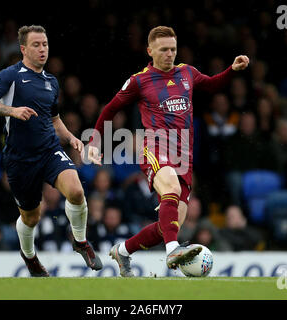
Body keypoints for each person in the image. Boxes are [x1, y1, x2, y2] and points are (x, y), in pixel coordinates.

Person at [87, 26, 249, 276]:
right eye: (164, 50)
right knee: (170, 190)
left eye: (173, 48)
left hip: (183, 155)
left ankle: (124, 251)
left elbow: (213, 85)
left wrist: (232, 71)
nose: (169, 54)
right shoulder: (139, 80)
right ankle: (173, 250)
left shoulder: (187, 72)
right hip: (155, 146)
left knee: (169, 224)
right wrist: (94, 142)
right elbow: (110, 109)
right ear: (150, 51)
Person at [0, 25, 102, 277]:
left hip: (49, 150)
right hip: (20, 159)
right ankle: (30, 256)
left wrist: (70, 138)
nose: (42, 49)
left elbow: (54, 119)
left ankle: (80, 241)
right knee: (31, 217)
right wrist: (12, 110)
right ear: (23, 49)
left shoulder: (51, 82)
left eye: (45, 44)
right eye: (36, 45)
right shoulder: (10, 75)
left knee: (76, 191)